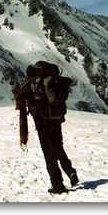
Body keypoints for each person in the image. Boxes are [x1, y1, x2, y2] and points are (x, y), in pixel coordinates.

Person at [14, 61, 79, 195]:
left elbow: (19, 95)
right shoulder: (53, 80)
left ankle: (58, 186)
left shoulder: (31, 83)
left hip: (41, 122)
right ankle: (70, 171)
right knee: (58, 147)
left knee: (49, 154)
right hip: (56, 119)